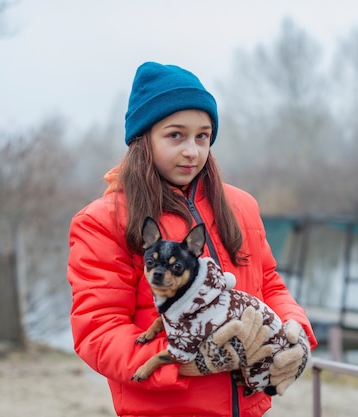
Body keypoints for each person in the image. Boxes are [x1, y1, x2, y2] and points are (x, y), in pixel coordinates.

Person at [67, 61, 318, 417]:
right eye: (176, 135)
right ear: (143, 139)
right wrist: (186, 362)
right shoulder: (102, 221)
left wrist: (296, 332)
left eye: (202, 136)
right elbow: (98, 329)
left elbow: (269, 285)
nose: (192, 150)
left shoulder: (241, 206)